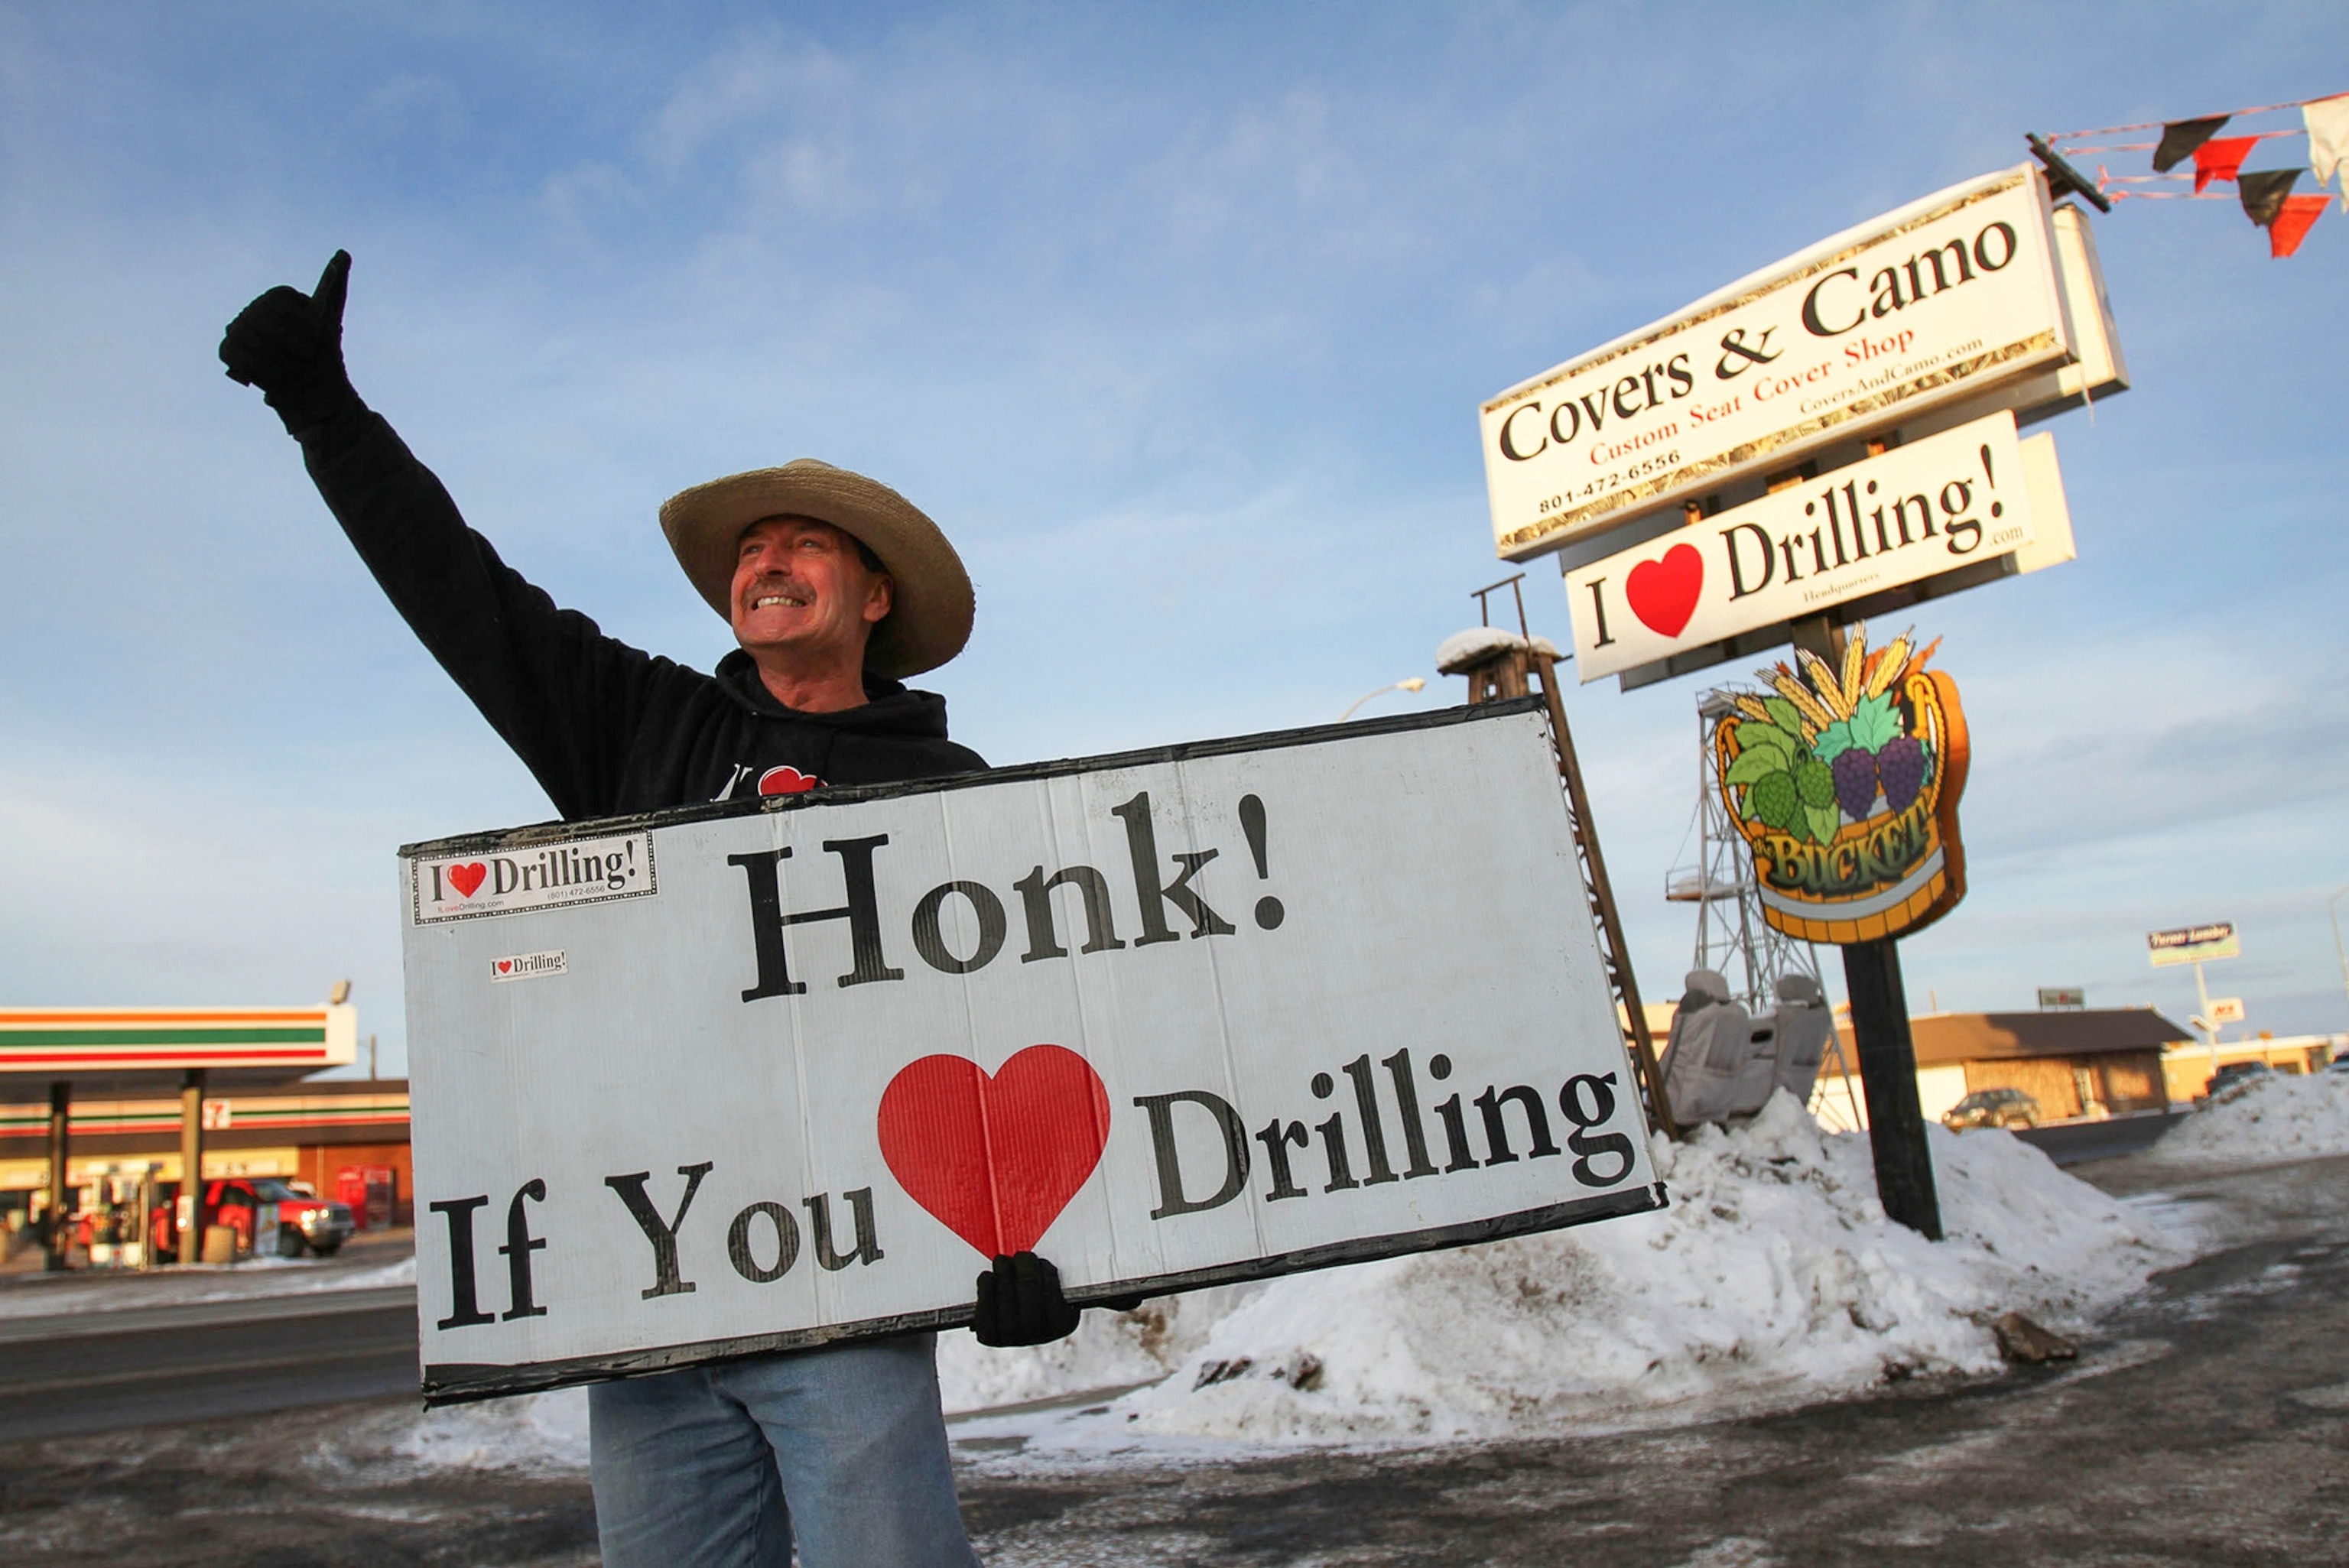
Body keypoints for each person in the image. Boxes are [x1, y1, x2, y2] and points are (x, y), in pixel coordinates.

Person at [221, 252, 1096, 1568]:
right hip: (652, 1307)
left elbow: (1043, 1025)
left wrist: (1048, 1251)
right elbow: (465, 596)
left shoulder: (952, 796)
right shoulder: (647, 726)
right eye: (749, 550)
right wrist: (323, 410)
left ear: (873, 598)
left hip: (842, 1310)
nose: (766, 560)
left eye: (805, 541)